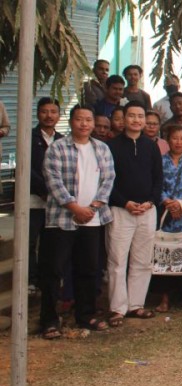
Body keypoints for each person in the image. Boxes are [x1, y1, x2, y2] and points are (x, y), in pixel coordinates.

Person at [38, 105, 116, 338]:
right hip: (62, 219)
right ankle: (50, 321)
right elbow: (53, 181)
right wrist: (74, 207)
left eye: (88, 120)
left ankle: (86, 315)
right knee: (54, 271)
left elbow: (108, 179)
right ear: (71, 122)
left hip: (92, 219)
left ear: (93, 123)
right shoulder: (57, 148)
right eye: (79, 119)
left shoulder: (101, 148)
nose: (84, 124)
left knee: (88, 270)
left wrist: (93, 207)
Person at [106, 101, 164, 325]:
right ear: (123, 118)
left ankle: (136, 305)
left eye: (141, 116)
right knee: (118, 260)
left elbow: (158, 178)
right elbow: (107, 181)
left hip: (147, 211)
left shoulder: (151, 146)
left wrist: (150, 202)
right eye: (132, 116)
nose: (137, 120)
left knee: (143, 260)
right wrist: (125, 202)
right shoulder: (111, 146)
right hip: (121, 210)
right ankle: (117, 308)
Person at [152, 125, 182, 313]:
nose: (179, 142)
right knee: (165, 254)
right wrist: (168, 202)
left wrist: (181, 203)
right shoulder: (160, 161)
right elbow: (156, 184)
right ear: (168, 140)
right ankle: (164, 298)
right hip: (166, 214)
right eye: (175, 138)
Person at [30, 98, 64, 292]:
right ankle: (31, 280)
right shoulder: (29, 137)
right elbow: (26, 168)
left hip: (56, 201)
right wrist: (44, 189)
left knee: (51, 242)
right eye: (44, 111)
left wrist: (55, 192)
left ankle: (48, 279)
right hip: (34, 199)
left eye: (53, 112)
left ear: (59, 115)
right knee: (31, 241)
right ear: (38, 114)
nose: (49, 116)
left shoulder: (62, 140)